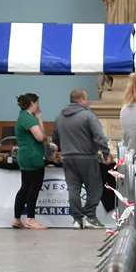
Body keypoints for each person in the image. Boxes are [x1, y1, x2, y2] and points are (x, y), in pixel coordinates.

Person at [52, 89, 110, 229]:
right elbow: (99, 136)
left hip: (67, 158)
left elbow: (55, 138)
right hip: (87, 157)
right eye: (86, 98)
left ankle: (77, 220)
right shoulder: (88, 116)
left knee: (73, 189)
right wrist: (106, 152)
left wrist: (60, 151)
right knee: (94, 188)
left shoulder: (59, 117)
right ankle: (90, 216)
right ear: (81, 100)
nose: (88, 101)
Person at [12, 93, 49, 230]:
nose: (38, 106)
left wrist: (38, 118)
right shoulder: (28, 119)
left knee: (25, 187)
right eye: (37, 103)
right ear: (32, 103)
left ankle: (16, 219)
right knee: (33, 188)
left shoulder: (22, 116)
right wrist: (40, 120)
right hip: (33, 157)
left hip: (25, 156)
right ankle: (30, 219)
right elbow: (40, 137)